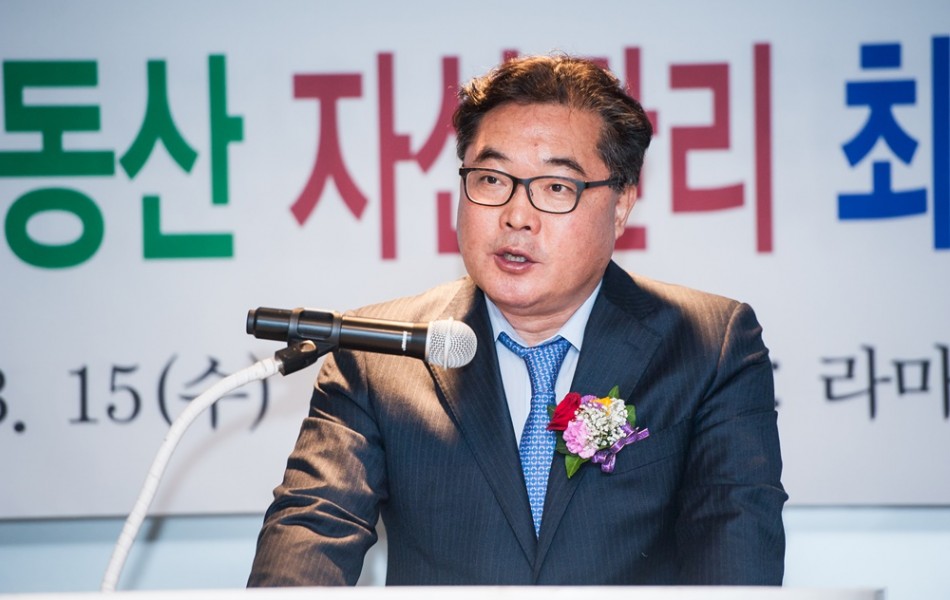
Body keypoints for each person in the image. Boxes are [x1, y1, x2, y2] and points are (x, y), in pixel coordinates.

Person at [247, 54, 786, 586]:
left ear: (622, 204)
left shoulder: (709, 347)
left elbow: (735, 559)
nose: (516, 217)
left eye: (556, 187)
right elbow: (311, 530)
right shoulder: (376, 351)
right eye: (490, 179)